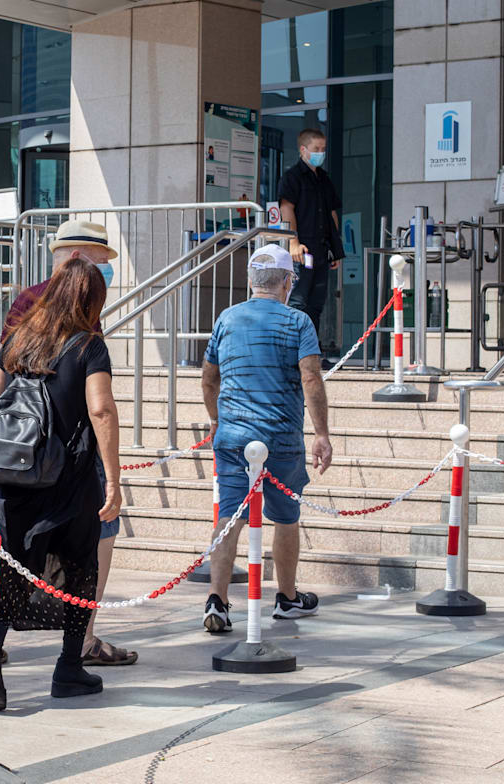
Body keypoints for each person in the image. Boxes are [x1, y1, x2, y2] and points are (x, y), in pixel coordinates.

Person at [0, 257, 123, 711]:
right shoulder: (88, 346)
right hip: (70, 481)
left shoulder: (20, 338)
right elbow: (100, 410)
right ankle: (68, 669)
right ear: (90, 300)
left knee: (17, 565)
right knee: (80, 567)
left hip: (15, 478)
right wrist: (113, 480)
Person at [1, 219, 136, 667]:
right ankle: (79, 648)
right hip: (74, 449)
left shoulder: (26, 305)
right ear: (79, 260)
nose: (106, 274)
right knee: (94, 539)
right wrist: (112, 475)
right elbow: (100, 407)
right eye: (102, 263)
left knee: (16, 545)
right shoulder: (83, 317)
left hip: (22, 449)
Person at [200, 244, 332, 634]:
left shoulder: (227, 319)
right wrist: (322, 434)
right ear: (287, 282)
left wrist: (215, 419)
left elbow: (209, 378)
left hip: (234, 434)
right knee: (286, 516)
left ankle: (217, 600)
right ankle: (287, 598)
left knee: (229, 517)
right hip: (279, 437)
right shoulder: (298, 323)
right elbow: (310, 377)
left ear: (250, 280)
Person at [276, 127, 345, 360]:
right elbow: (287, 209)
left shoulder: (323, 179)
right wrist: (293, 243)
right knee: (298, 302)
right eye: (316, 149)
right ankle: (292, 354)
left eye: (323, 149)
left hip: (321, 249)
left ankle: (311, 353)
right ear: (303, 149)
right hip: (302, 250)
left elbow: (331, 213)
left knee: (316, 304)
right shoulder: (293, 177)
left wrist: (335, 249)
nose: (320, 153)